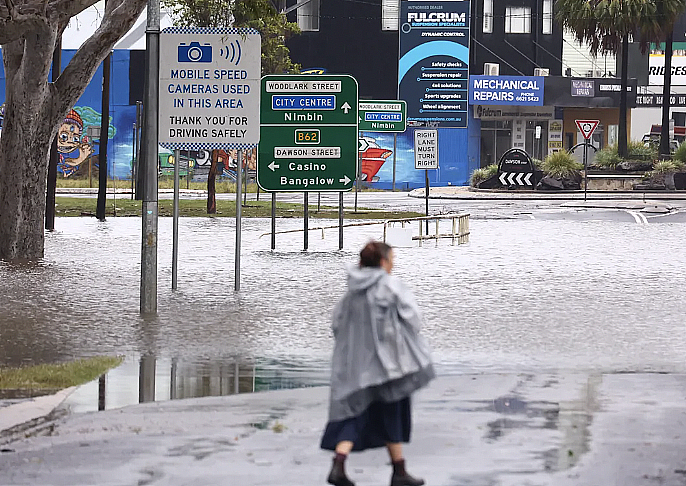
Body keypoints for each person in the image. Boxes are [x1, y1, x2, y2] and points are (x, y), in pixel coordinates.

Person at [321, 241, 435, 486]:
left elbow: (337, 325)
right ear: (383, 262)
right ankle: (399, 472)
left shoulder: (351, 292)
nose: (393, 264)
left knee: (355, 413)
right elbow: (414, 320)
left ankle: (341, 463)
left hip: (357, 366)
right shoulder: (392, 287)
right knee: (391, 412)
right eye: (391, 259)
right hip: (389, 366)